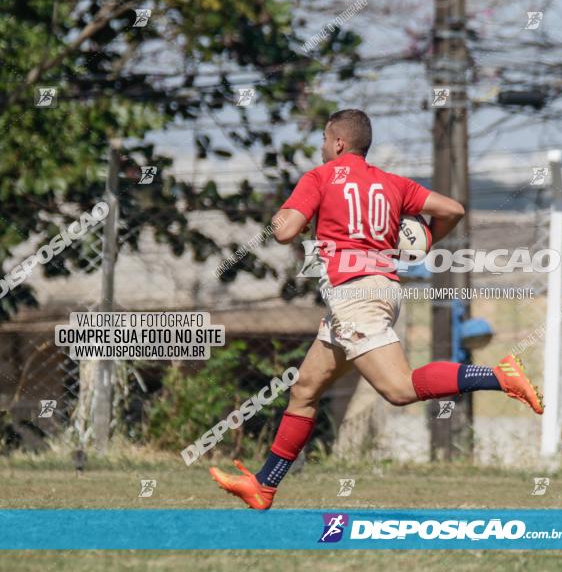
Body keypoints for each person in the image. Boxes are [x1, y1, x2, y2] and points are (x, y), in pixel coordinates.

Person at [210, 109, 542, 510]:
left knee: (398, 389)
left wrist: (282, 211)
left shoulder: (319, 177)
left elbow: (284, 231)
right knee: (304, 390)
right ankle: (264, 485)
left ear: (337, 143)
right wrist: (425, 242)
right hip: (377, 290)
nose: (320, 147)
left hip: (354, 296)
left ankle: (497, 376)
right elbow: (452, 209)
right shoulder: (392, 183)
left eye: (323, 140)